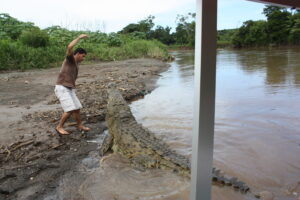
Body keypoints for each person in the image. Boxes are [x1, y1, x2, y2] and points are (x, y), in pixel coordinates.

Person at [54, 34, 91, 135]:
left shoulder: (77, 64)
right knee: (70, 109)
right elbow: (70, 47)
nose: (83, 58)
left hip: (69, 88)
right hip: (62, 87)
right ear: (78, 54)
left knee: (77, 108)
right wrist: (79, 37)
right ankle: (59, 126)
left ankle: (79, 125)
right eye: (83, 56)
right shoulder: (71, 59)